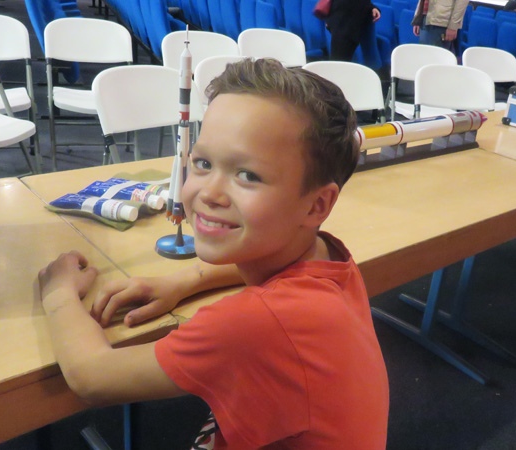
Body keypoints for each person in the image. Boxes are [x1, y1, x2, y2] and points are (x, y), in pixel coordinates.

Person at [37, 58, 390, 449]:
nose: (209, 193)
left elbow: (92, 376)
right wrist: (184, 281)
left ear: (317, 205)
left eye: (248, 175)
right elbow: (269, 268)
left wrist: (57, 292)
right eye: (203, 163)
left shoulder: (255, 323)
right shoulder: (327, 256)